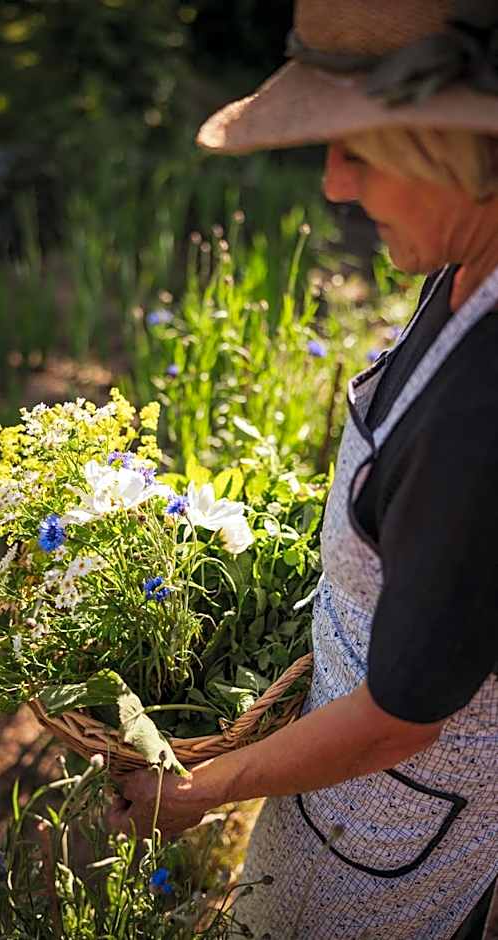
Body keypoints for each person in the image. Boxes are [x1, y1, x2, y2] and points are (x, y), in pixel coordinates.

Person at [107, 1, 498, 937]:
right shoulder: (462, 275)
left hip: (406, 824)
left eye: (356, 149)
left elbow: (404, 716)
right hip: (358, 796)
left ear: (456, 149)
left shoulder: (484, 409)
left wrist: (199, 789)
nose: (330, 182)